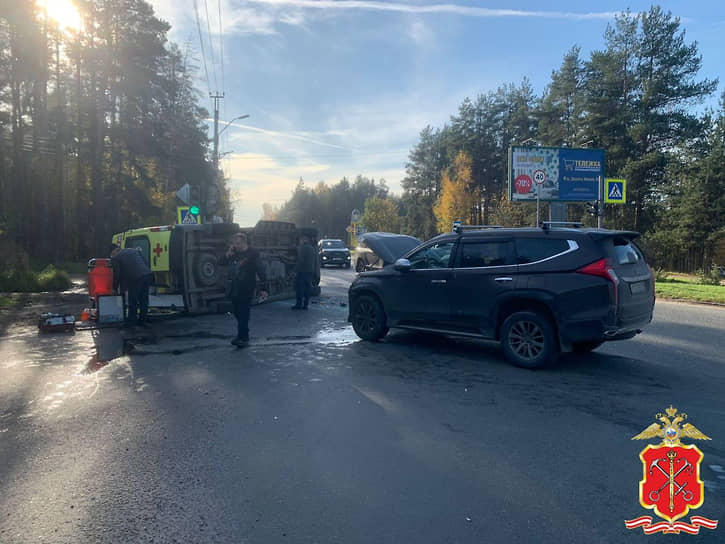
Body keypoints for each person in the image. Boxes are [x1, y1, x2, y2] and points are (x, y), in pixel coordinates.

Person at [219, 232, 267, 347]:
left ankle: (243, 338)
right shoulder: (233, 252)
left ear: (244, 242)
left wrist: (264, 288)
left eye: (238, 243)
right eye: (234, 243)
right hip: (234, 287)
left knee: (243, 312)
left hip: (247, 287)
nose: (236, 245)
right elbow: (220, 262)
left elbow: (261, 270)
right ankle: (243, 334)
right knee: (236, 311)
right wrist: (227, 254)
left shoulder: (253, 254)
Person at [110, 244, 154, 328]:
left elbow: (117, 275)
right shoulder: (133, 250)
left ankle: (131, 323)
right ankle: (142, 321)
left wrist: (114, 288)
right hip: (147, 274)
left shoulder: (116, 258)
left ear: (114, 251)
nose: (112, 256)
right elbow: (145, 262)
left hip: (135, 278)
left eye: (111, 254)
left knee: (133, 301)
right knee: (143, 300)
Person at [292, 234, 316, 310]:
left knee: (299, 288)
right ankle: (306, 304)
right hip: (310, 271)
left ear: (304, 239)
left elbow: (300, 261)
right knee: (307, 288)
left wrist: (295, 270)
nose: (300, 241)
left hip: (302, 271)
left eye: (301, 240)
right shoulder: (312, 248)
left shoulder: (303, 248)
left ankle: (298, 304)